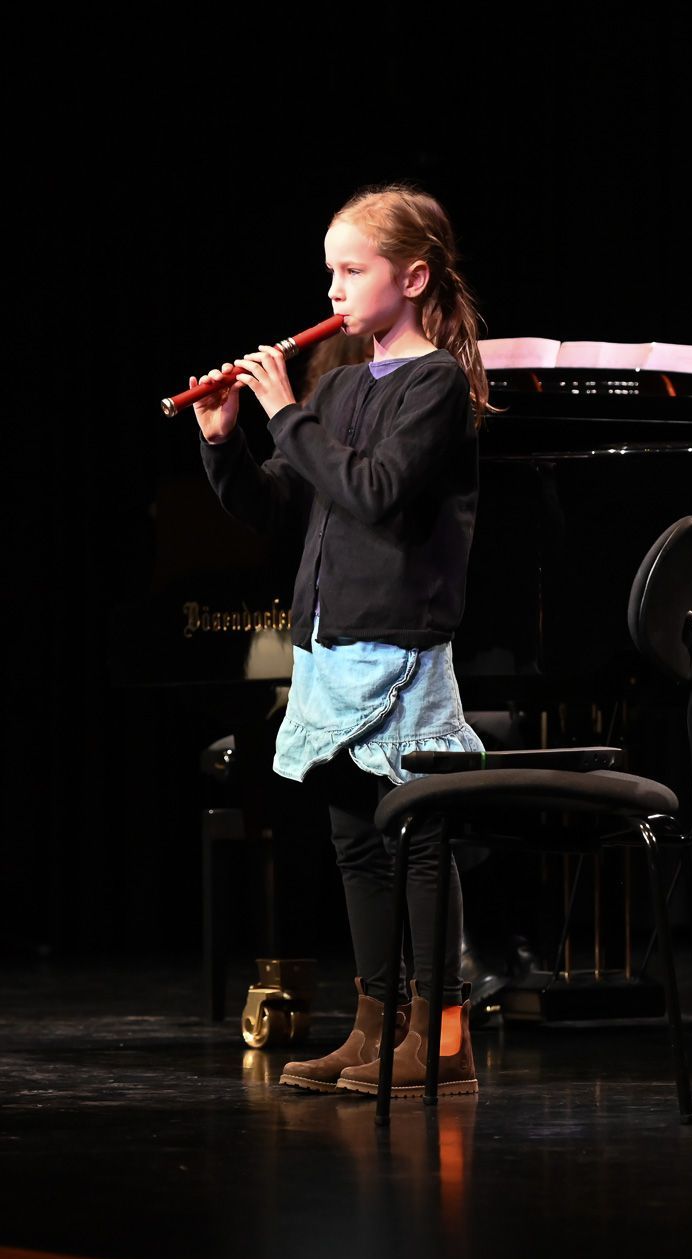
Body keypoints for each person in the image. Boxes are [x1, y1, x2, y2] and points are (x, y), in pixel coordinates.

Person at [189, 183, 493, 1099]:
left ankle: (442, 1039)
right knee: (357, 843)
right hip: (331, 642)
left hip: (399, 644)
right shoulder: (343, 383)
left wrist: (287, 412)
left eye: (350, 271)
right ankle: (373, 1028)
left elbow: (375, 492)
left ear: (413, 276)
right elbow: (284, 503)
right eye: (329, 273)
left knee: (418, 845)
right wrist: (226, 444)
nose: (332, 292)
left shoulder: (434, 382)